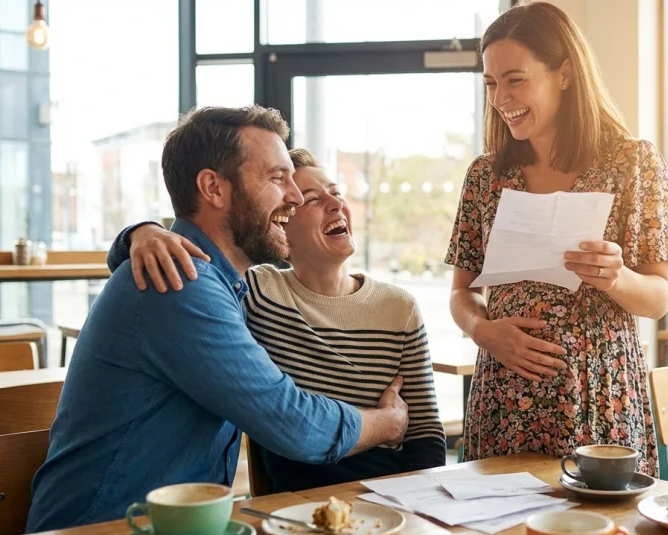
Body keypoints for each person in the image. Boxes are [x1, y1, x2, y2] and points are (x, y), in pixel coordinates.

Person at [26, 106, 409, 532]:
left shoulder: (218, 281)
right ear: (213, 188)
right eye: (277, 178)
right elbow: (296, 425)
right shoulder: (182, 283)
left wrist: (138, 232)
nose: (296, 197)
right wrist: (388, 423)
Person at [108, 148, 446, 492]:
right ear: (282, 224)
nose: (335, 204)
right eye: (312, 200)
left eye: (337, 193)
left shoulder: (400, 307)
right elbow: (191, 261)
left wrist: (420, 504)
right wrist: (142, 232)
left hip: (390, 493)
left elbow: (424, 434)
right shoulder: (257, 292)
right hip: (295, 503)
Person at [445, 3, 668, 475]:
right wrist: (483, 331)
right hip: (504, 394)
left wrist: (615, 277)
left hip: (600, 393)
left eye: (515, 79)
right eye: (491, 83)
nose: (501, 98)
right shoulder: (485, 176)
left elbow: (658, 299)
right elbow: (461, 291)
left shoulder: (633, 163)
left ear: (565, 73)